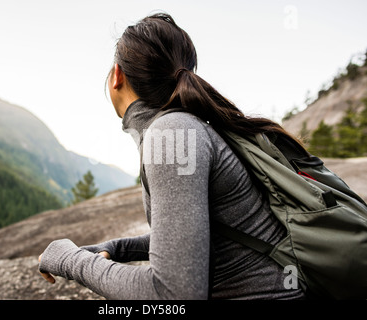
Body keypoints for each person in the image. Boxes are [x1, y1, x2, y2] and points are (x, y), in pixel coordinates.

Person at [38, 13, 306, 300]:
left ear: (117, 75)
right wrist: (119, 248)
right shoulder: (185, 127)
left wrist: (69, 260)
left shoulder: (172, 132)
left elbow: (172, 295)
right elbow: (193, 236)